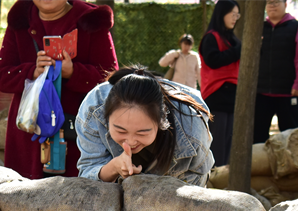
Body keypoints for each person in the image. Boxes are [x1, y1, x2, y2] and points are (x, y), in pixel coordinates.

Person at [0, 0, 118, 179]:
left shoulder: (90, 20)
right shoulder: (20, 20)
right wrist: (32, 71)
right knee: (23, 197)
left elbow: (111, 79)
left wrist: (74, 72)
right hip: (29, 132)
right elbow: (1, 75)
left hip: (78, 132)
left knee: (76, 197)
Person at [76, 66, 214, 187]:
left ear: (162, 122)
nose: (130, 142)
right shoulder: (93, 110)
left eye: (142, 133)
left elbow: (194, 191)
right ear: (106, 117)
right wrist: (114, 167)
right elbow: (88, 175)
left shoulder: (192, 131)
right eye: (120, 131)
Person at [253, 0, 298, 143]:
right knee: (257, 136)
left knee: (290, 137)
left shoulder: (297, 29)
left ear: (285, 4)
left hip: (288, 93)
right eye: (269, 2)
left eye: (276, 1)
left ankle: (292, 166)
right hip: (261, 93)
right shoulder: (259, 29)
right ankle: (260, 165)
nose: (272, 5)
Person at [198, 0, 241, 166]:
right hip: (216, 94)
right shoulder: (211, 37)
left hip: (232, 95)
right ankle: (214, 176)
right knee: (217, 142)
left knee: (228, 140)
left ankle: (222, 175)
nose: (235, 18)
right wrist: (238, 51)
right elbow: (213, 60)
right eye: (233, 14)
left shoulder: (232, 38)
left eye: (237, 15)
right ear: (222, 13)